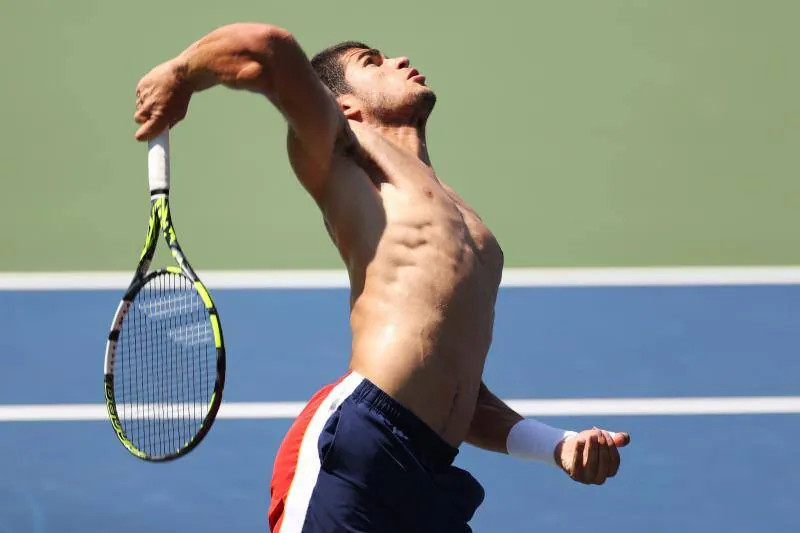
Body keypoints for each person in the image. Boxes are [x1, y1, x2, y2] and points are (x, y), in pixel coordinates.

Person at [134, 22, 632, 533]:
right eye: (372, 62)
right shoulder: (344, 155)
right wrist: (180, 73)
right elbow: (268, 50)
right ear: (345, 106)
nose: (399, 59)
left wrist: (555, 445)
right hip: (358, 445)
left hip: (429, 475)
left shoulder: (473, 229)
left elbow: (455, 385)